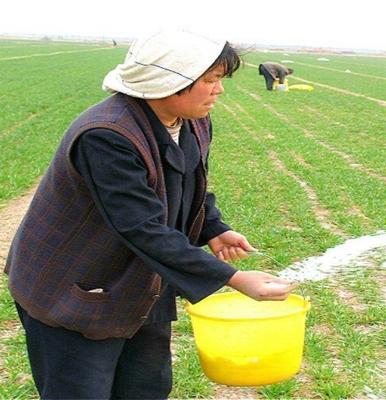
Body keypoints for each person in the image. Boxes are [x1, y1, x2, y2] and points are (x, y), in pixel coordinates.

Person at [4, 29, 297, 399]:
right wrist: (233, 279)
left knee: (145, 387)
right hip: (74, 290)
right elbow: (142, 227)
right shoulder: (107, 135)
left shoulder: (191, 120)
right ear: (168, 83)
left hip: (141, 283)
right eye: (210, 80)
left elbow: (188, 183)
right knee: (81, 391)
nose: (219, 90)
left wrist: (212, 228)